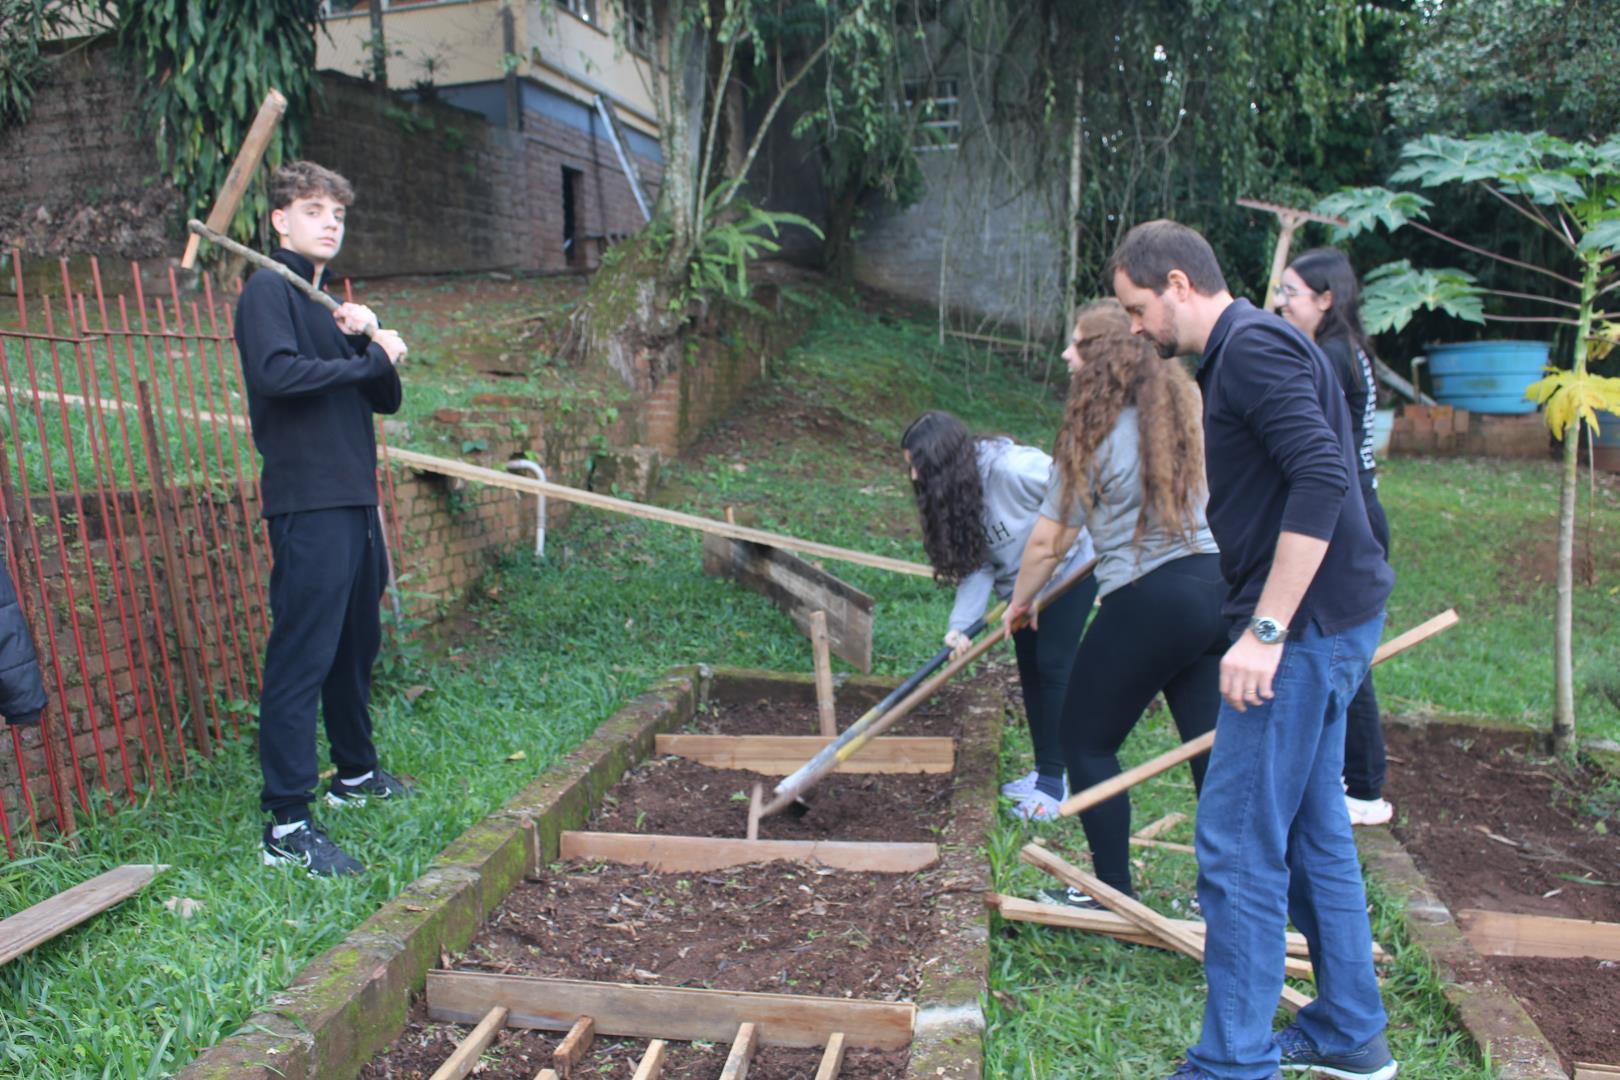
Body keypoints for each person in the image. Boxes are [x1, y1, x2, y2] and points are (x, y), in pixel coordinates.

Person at [1109, 220, 1397, 1080]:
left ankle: (1232, 1064)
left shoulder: (1254, 350)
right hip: (1333, 618)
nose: (1133, 329)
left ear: (1176, 283)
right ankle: (1350, 1029)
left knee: (1236, 845)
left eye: (1135, 308)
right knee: (1312, 834)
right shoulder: (1251, 346)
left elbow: (1323, 475)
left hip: (1303, 631)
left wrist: (1265, 631)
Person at [1000, 298, 1224, 901]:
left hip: (1150, 597)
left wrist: (1019, 603)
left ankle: (1110, 893)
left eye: (1077, 345)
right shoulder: (1180, 411)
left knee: (1084, 741)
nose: (1067, 355)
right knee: (1211, 752)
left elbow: (1049, 541)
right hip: (1214, 591)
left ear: (1103, 358)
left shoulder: (1089, 430)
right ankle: (1233, 896)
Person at [236, 161, 411, 878]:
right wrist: (365, 357)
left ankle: (355, 775)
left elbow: (387, 399)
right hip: (307, 499)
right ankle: (286, 822)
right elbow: (276, 376)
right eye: (314, 210)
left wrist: (370, 340)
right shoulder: (267, 291)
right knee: (302, 655)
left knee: (354, 644)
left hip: (353, 498)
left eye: (337, 213)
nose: (330, 222)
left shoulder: (325, 301)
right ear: (281, 220)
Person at [900, 411, 1097, 820]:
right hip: (1020, 593)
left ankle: (1053, 788)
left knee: (1052, 667)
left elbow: (1080, 495)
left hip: (1072, 571)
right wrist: (960, 628)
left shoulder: (1014, 468)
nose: (915, 476)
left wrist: (1047, 581)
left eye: (918, 465)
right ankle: (1044, 772)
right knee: (1029, 669)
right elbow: (979, 564)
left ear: (941, 459)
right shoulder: (961, 491)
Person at [1275, 248, 1393, 827]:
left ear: (1326, 298)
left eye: (1290, 292)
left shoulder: (1331, 356)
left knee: (1345, 654)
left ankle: (1364, 786)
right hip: (1358, 507)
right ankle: (1358, 782)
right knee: (1346, 653)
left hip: (1352, 514)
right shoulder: (1342, 350)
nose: (1281, 301)